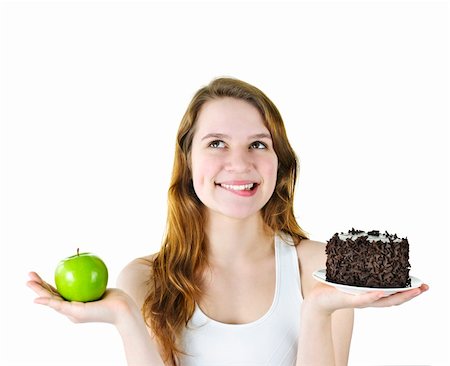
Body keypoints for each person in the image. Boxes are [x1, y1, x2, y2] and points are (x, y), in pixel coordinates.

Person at [27, 77, 428, 366]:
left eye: (258, 144)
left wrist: (318, 312)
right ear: (188, 161)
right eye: (216, 143)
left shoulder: (323, 269)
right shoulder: (146, 278)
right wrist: (125, 317)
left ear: (278, 163)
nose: (239, 163)